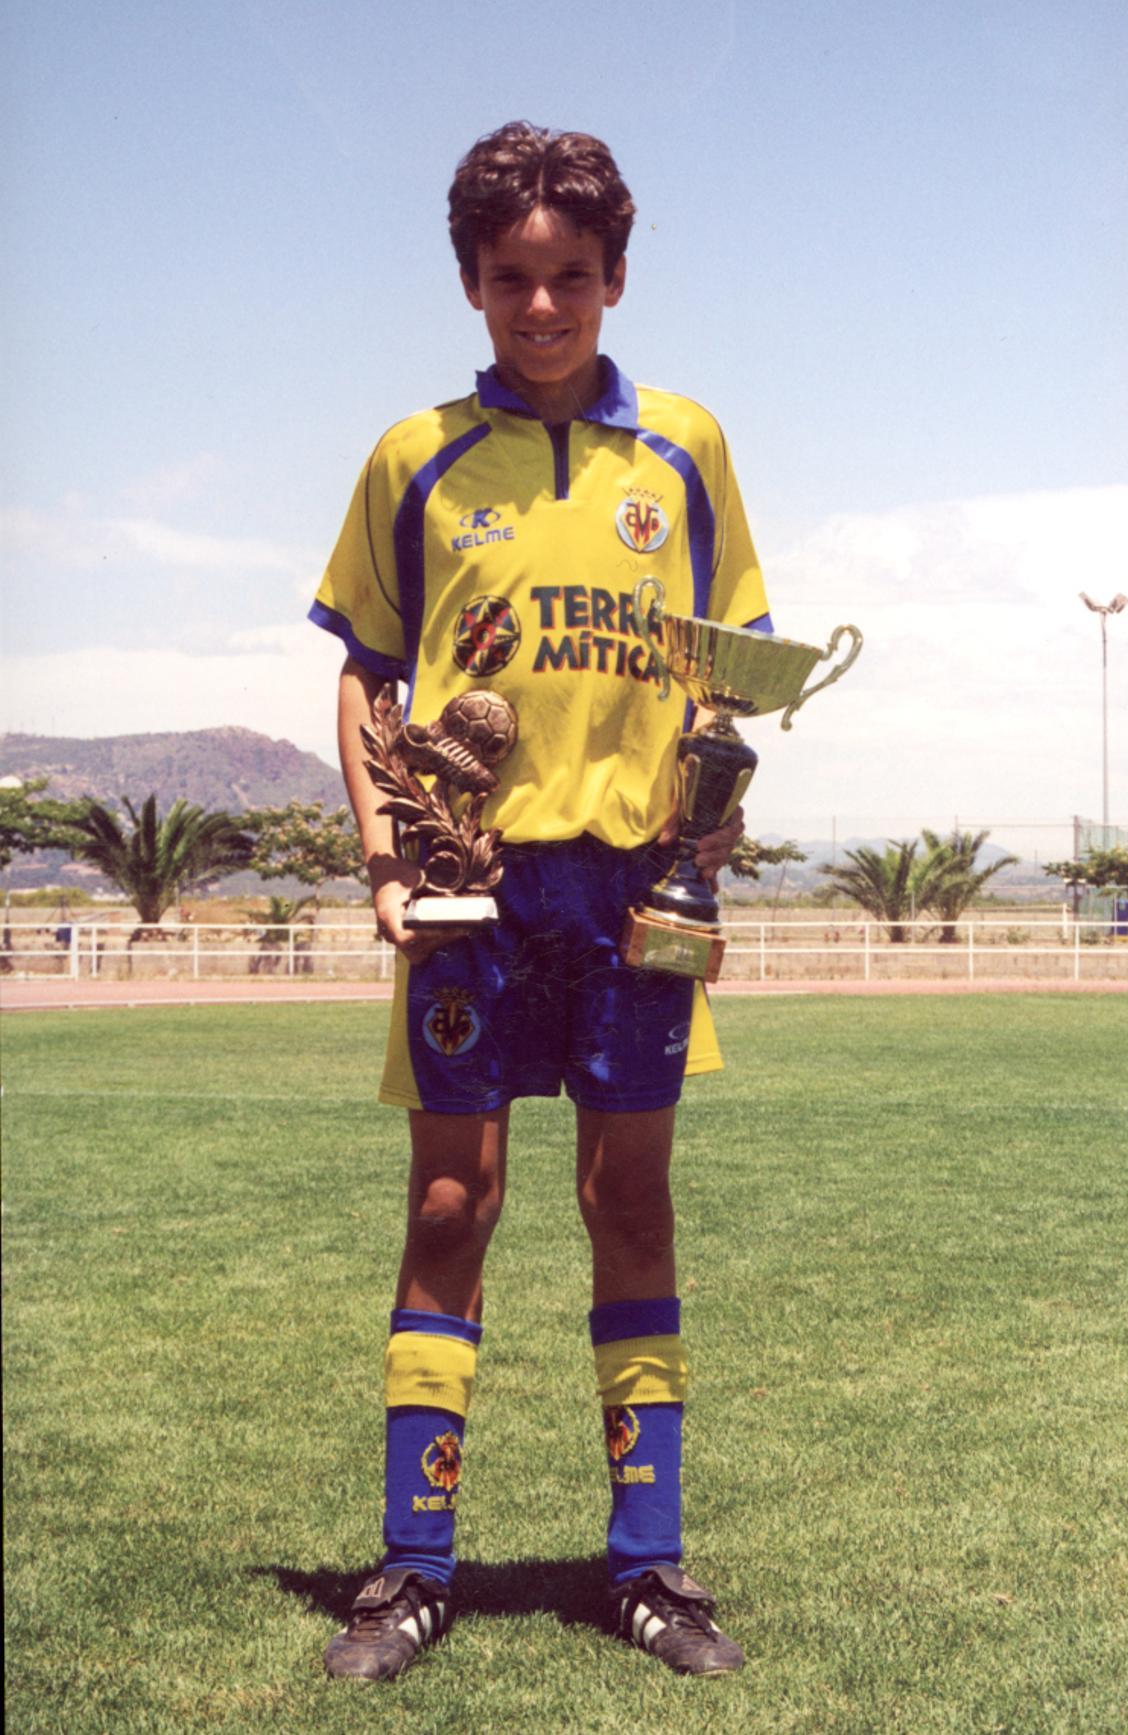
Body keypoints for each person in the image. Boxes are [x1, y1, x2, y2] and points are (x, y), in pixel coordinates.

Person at [308, 121, 772, 1684]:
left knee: (625, 1203)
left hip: (634, 887)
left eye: (572, 277)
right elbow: (370, 677)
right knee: (455, 1204)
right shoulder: (414, 456)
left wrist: (709, 824)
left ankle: (649, 1567)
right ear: (472, 284)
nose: (545, 307)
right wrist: (387, 856)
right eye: (513, 280)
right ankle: (413, 1570)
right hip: (473, 893)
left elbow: (735, 670)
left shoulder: (688, 450)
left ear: (616, 278)